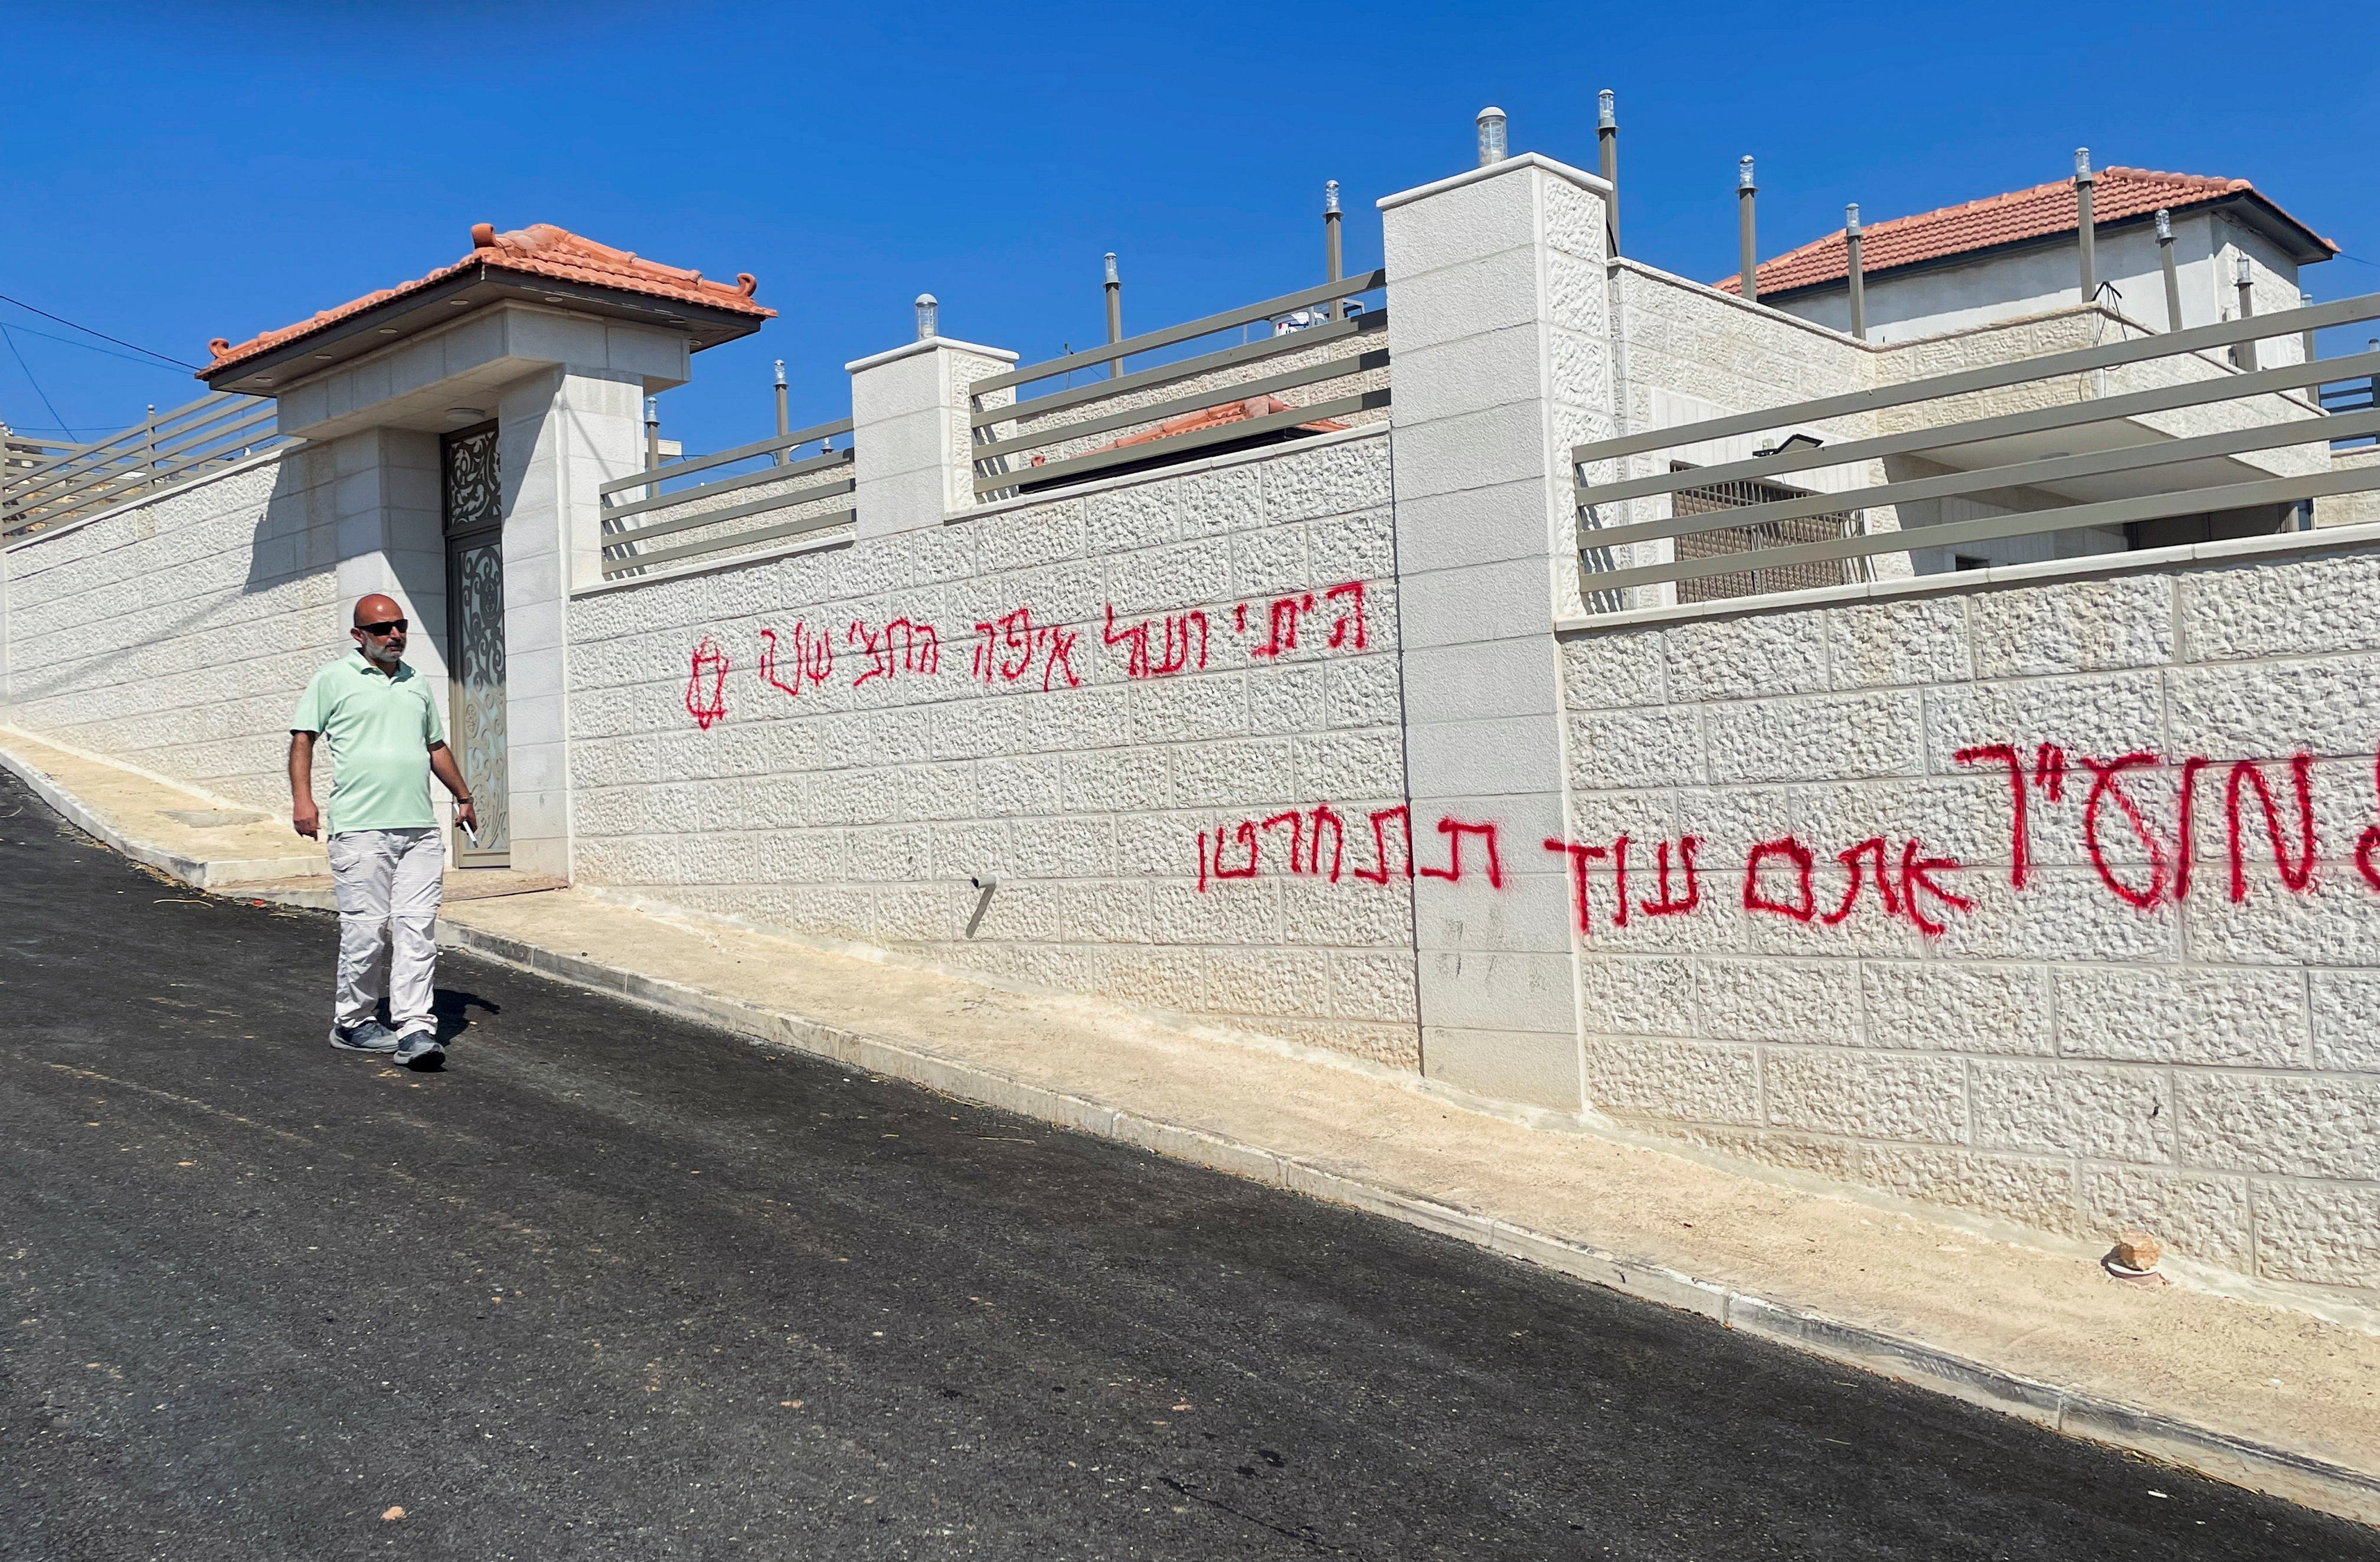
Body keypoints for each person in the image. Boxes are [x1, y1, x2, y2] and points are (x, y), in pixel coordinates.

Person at [289, 594, 478, 1066]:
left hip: (418, 829)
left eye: (400, 625)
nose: (394, 635)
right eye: (381, 629)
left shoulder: (417, 683)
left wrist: (464, 796)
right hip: (360, 829)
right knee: (366, 931)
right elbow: (303, 738)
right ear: (359, 636)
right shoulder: (332, 679)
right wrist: (303, 800)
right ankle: (353, 1022)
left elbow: (434, 745)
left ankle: (415, 1028)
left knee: (418, 930)